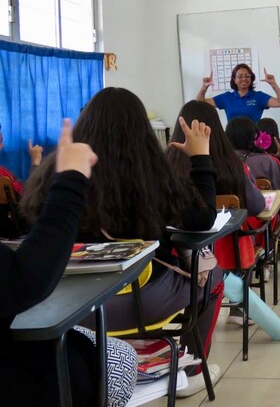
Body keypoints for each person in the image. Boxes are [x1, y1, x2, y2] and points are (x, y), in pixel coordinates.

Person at [20, 87, 224, 397]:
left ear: (83, 124)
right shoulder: (154, 174)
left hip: (68, 308)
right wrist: (200, 157)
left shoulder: (56, 172)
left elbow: (33, 224)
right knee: (214, 277)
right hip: (139, 302)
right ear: (143, 129)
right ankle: (189, 367)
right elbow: (203, 218)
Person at [1, 119, 138, 406]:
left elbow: (27, 205)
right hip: (132, 300)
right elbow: (24, 280)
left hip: (72, 307)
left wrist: (37, 164)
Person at [167, 100, 265, 327]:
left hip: (182, 252)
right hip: (231, 249)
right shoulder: (233, 164)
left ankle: (192, 306)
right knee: (244, 234)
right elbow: (257, 205)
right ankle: (239, 311)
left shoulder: (168, 164)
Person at [226, 116, 280, 199]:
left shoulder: (222, 161)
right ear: (254, 136)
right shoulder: (267, 161)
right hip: (267, 208)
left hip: (232, 210)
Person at [197, 63, 280, 123]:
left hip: (254, 142)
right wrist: (204, 87)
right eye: (240, 76)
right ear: (234, 80)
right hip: (231, 142)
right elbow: (199, 103)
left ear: (251, 79)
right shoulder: (227, 97)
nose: (244, 79)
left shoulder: (259, 96)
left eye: (247, 76)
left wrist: (273, 84)